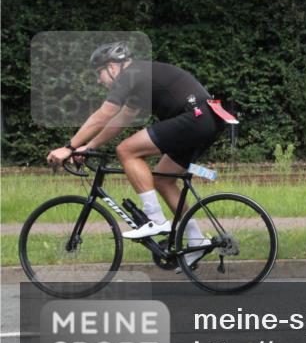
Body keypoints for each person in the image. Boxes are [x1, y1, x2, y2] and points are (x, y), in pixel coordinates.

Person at [46, 42, 229, 263]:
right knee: (163, 179)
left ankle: (155, 219)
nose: (98, 80)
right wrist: (90, 146)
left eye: (99, 73)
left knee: (126, 150)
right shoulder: (139, 78)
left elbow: (104, 114)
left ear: (112, 67)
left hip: (195, 117)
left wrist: (69, 147)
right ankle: (196, 240)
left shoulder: (129, 75)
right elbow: (121, 119)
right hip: (207, 120)